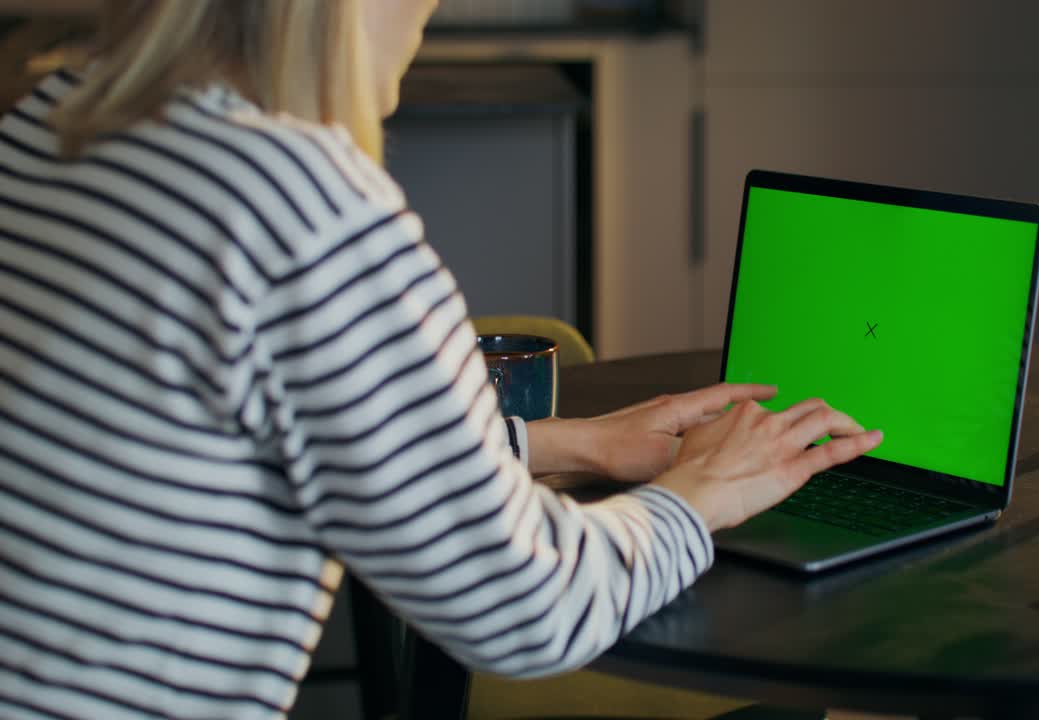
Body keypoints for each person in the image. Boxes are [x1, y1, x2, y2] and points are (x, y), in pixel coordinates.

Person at [0, 1, 884, 717]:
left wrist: (563, 444)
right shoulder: (298, 205)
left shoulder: (50, 126)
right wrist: (702, 496)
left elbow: (204, 436)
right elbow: (527, 610)